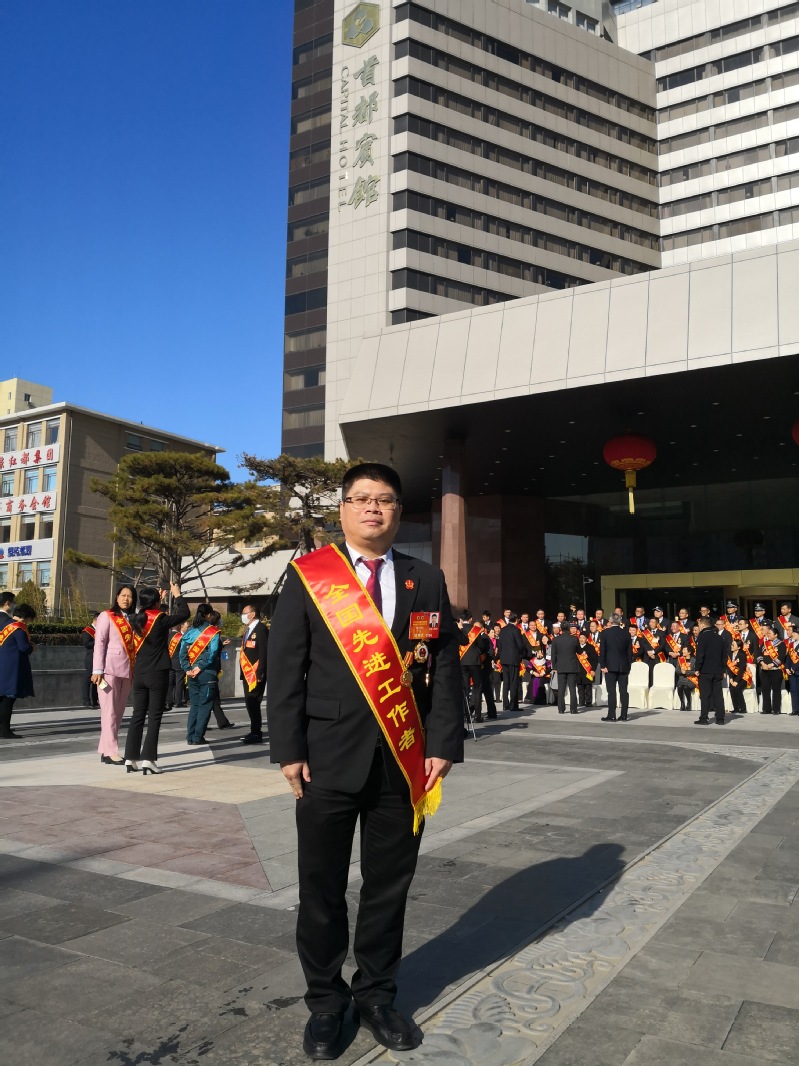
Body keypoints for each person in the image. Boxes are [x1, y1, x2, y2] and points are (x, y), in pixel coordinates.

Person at [266, 462, 463, 1059]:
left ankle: (377, 995)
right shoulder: (310, 575)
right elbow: (285, 668)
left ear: (399, 511)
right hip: (325, 760)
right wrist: (289, 750)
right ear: (343, 509)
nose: (373, 508)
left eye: (385, 500)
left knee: (389, 887)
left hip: (403, 762)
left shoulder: (425, 579)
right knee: (321, 886)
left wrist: (442, 743)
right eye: (361, 498)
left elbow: (443, 665)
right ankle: (326, 1003)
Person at [123, 582, 189, 773]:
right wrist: (177, 594)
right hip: (157, 673)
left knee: (137, 715)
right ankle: (148, 759)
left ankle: (130, 758)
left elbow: (144, 612)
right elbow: (184, 613)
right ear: (156, 603)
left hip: (139, 674)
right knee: (154, 717)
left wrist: (155, 600)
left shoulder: (134, 618)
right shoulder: (161, 619)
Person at [92, 584, 139, 765]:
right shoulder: (107, 615)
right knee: (109, 711)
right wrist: (97, 670)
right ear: (117, 597)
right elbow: (100, 643)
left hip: (128, 669)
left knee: (118, 712)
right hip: (108, 670)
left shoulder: (134, 618)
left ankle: (105, 750)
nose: (126, 599)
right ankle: (112, 751)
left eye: (130, 596)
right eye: (123, 595)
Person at [180, 605, 223, 744]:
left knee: (195, 706)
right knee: (205, 706)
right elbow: (212, 653)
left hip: (191, 674)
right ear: (208, 615)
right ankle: (198, 737)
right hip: (207, 673)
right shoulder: (213, 632)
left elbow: (182, 654)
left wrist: (187, 669)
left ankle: (190, 736)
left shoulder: (189, 632)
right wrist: (200, 667)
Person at [0, 603, 36, 739]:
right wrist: (32, 647)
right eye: (30, 619)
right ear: (26, 616)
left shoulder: (4, 625)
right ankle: (5, 731)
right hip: (13, 667)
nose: (28, 622)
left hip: (3, 665)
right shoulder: (18, 628)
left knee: (2, 698)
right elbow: (23, 648)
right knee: (8, 700)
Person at [239, 603, 269, 744]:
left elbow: (264, 652)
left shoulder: (261, 629)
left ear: (252, 614)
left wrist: (260, 672)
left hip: (255, 673)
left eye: (244, 613)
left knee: (253, 702)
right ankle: (254, 731)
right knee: (250, 703)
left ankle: (256, 733)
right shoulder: (249, 630)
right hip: (247, 673)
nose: (243, 616)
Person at [599, 612, 633, 721]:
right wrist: (628, 665)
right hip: (623, 666)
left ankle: (612, 715)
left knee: (611, 691)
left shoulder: (605, 633)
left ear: (610, 621)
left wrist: (603, 665)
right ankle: (624, 715)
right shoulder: (626, 633)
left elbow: (602, 650)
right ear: (620, 621)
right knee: (623, 691)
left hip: (609, 666)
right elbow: (629, 652)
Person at [694, 617, 725, 725]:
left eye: (699, 625)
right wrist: (723, 669)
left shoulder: (702, 637)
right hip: (717, 670)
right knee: (718, 694)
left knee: (705, 695)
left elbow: (700, 655)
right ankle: (720, 719)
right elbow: (724, 656)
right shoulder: (719, 637)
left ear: (702, 625)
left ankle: (704, 718)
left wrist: (697, 668)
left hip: (705, 670)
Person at [496, 613, 529, 711]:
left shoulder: (503, 630)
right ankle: (513, 705)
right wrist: (522, 654)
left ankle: (505, 705)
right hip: (513, 659)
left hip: (504, 658)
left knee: (506, 681)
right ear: (517, 620)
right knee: (514, 681)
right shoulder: (516, 630)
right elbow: (520, 645)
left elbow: (499, 645)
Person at [757, 623, 787, 716]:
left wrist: (771, 664)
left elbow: (781, 657)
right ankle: (766, 709)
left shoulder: (781, 644)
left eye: (770, 633)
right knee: (765, 689)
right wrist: (762, 663)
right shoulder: (764, 643)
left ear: (776, 635)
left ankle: (776, 709)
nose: (768, 635)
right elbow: (759, 655)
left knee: (776, 690)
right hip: (764, 670)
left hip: (776, 670)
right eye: (768, 633)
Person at [551, 620, 580, 714]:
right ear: (569, 628)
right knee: (572, 688)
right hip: (572, 666)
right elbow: (579, 651)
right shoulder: (574, 639)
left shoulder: (556, 639)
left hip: (561, 666)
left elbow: (553, 654)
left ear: (561, 629)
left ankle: (561, 709)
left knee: (561, 688)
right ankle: (573, 709)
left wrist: (554, 666)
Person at [166, 620, 189, 710]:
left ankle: (168, 702)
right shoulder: (180, 637)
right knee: (179, 683)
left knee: (169, 683)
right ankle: (178, 701)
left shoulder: (167, 636)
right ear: (179, 627)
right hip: (179, 663)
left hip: (169, 662)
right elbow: (185, 650)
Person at [80, 613, 100, 709]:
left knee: (97, 680)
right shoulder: (87, 630)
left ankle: (95, 700)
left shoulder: (100, 630)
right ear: (95, 620)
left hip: (99, 657)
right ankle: (86, 701)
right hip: (91, 657)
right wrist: (98, 640)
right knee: (88, 679)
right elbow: (87, 644)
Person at [725, 638, 749, 715]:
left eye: (733, 645)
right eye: (731, 644)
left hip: (743, 676)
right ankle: (736, 708)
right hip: (734, 676)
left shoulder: (742, 655)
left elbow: (741, 669)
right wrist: (731, 678)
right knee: (731, 688)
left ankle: (743, 708)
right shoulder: (729, 654)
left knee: (737, 688)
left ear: (738, 647)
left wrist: (736, 681)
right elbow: (729, 668)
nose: (731, 646)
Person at [575, 631, 598, 707]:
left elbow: (595, 660)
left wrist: (593, 670)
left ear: (586, 639)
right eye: (580, 637)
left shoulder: (590, 647)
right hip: (578, 671)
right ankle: (581, 702)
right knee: (580, 687)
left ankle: (588, 702)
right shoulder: (576, 647)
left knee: (588, 687)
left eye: (583, 638)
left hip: (588, 671)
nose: (581, 639)